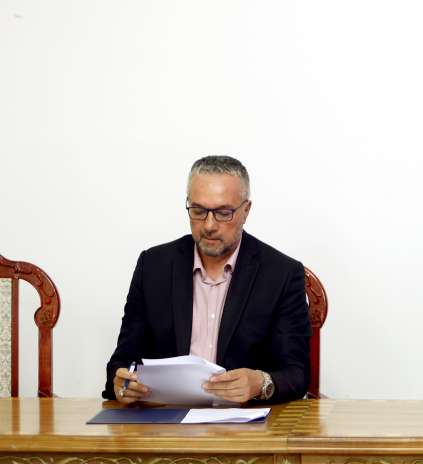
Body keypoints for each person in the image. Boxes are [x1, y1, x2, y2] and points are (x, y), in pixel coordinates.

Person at [103, 155, 310, 404]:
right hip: (165, 416)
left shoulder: (281, 273)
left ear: (246, 210)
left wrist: (260, 383)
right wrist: (122, 383)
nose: (209, 225)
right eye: (199, 211)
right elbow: (123, 361)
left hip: (244, 419)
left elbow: (297, 373)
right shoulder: (153, 266)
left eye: (223, 213)